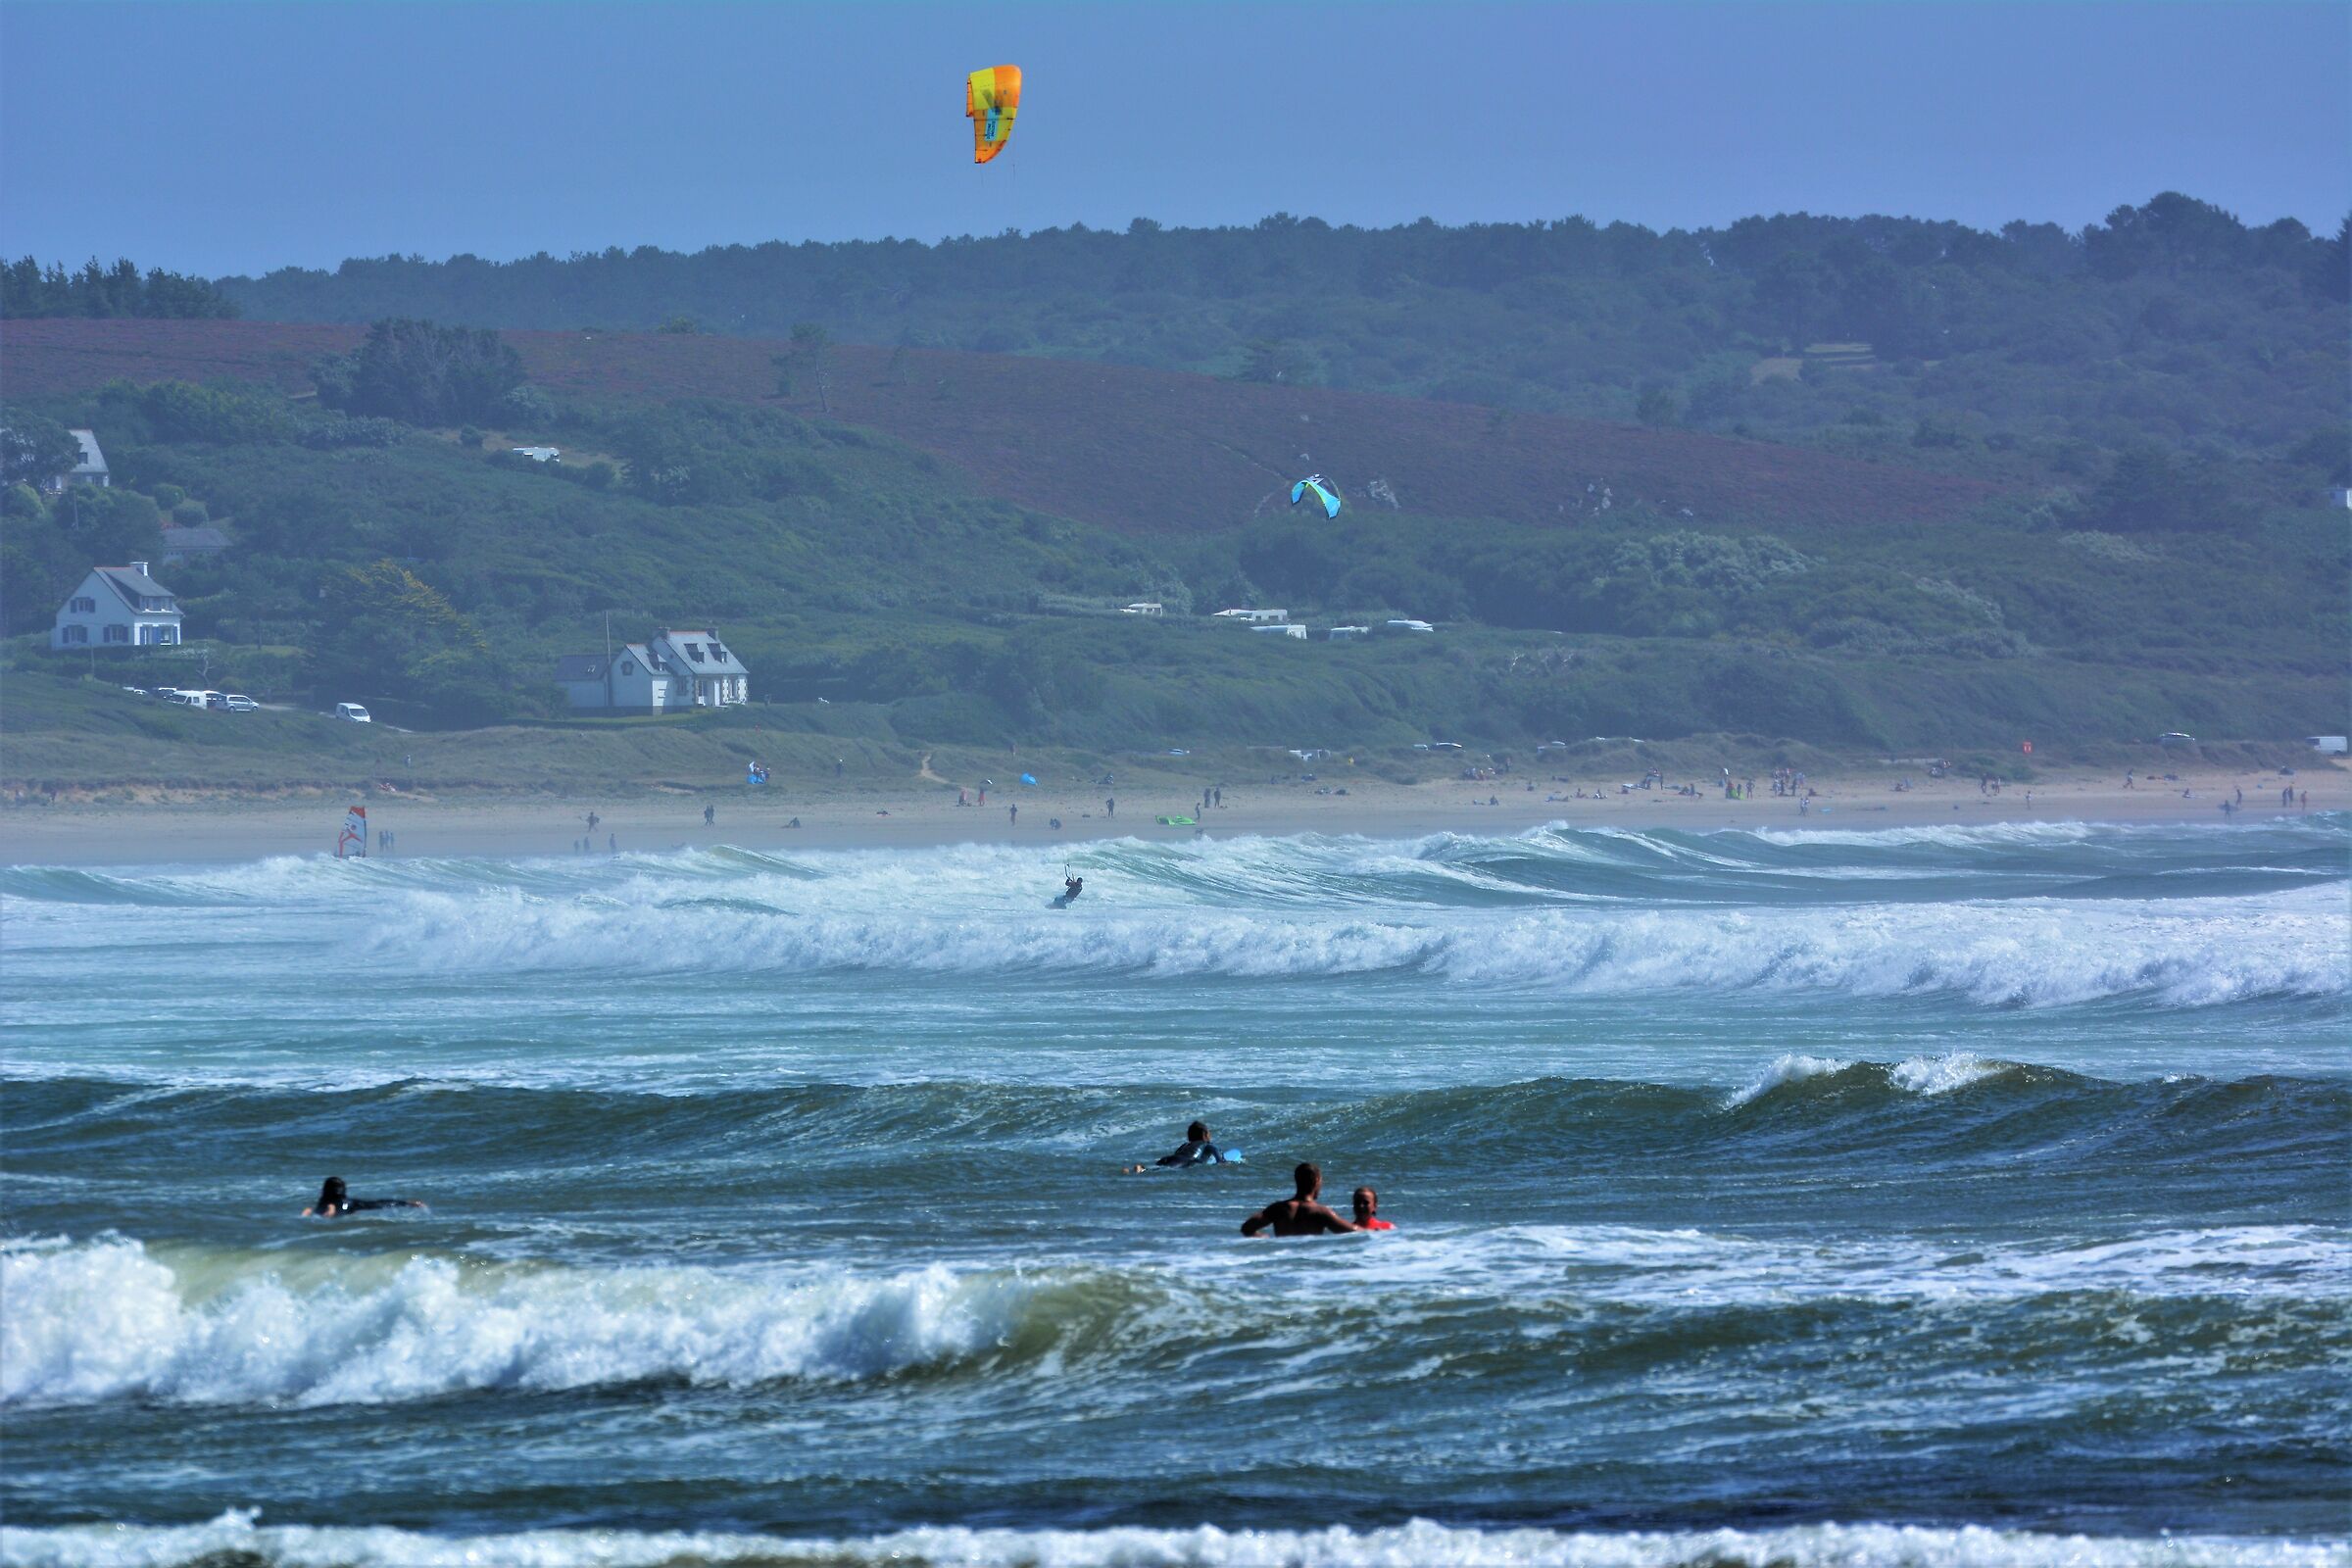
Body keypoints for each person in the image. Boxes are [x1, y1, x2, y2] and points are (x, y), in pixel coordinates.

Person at [1243, 1163, 1360, 1237]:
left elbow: (1247, 1228)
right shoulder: (1320, 1212)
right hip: (1308, 1265)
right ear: (1317, 1181)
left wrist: (1263, 1238)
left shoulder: (1278, 1209)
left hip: (1282, 1259)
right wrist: (1375, 1230)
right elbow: (1352, 1232)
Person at [1124, 1120, 1221, 1174]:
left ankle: (1138, 1169)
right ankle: (1140, 1170)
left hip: (1169, 1158)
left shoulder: (1185, 1145)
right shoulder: (1207, 1145)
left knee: (1157, 1168)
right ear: (1206, 1135)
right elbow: (1217, 1155)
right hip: (1185, 1161)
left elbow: (1178, 1153)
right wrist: (1223, 1162)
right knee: (1165, 1170)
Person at [303, 1176, 425, 1218]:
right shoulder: (341, 1200)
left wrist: (311, 1212)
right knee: (378, 1204)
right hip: (348, 1205)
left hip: (346, 1206)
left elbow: (330, 1209)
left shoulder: (326, 1201)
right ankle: (409, 1203)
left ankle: (409, 1203)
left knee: (375, 1204)